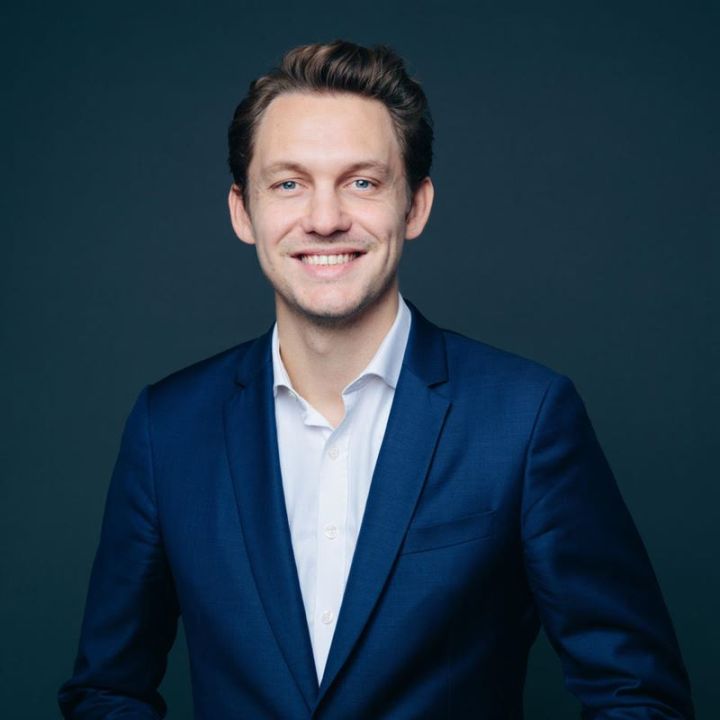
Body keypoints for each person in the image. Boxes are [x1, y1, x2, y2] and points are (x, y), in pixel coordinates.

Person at [59, 40, 694, 719]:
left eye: (361, 182)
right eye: (288, 183)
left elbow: (637, 695)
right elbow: (107, 691)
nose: (325, 219)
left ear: (414, 206)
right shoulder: (168, 427)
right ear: (243, 212)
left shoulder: (527, 418)